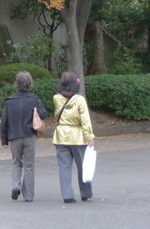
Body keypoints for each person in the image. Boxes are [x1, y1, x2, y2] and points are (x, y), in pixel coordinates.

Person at [0, 70, 49, 202]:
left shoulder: (9, 101)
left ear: (16, 84)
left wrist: (4, 140)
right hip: (29, 135)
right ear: (30, 84)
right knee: (29, 165)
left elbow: (4, 121)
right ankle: (28, 195)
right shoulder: (34, 99)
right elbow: (44, 114)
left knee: (16, 162)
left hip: (14, 136)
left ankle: (16, 186)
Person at [52, 71, 95, 203]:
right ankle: (85, 192)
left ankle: (67, 195)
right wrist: (89, 136)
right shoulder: (80, 100)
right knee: (83, 165)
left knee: (64, 167)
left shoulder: (56, 98)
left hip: (60, 136)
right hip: (77, 136)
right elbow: (85, 120)